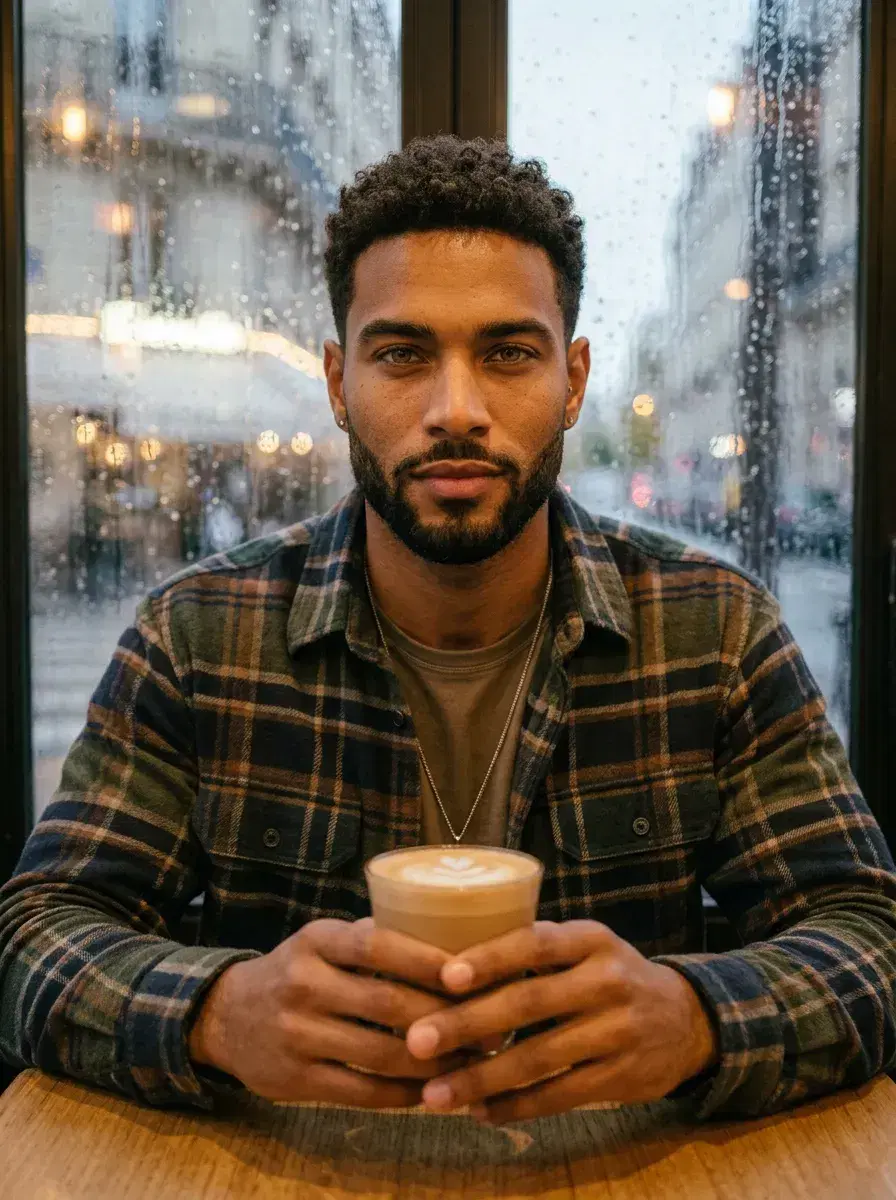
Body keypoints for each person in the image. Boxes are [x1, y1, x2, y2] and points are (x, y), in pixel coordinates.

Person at [2, 136, 896, 1127]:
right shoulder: (201, 635)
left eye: (508, 353)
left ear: (572, 380)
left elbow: (866, 936)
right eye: (402, 355)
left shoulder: (711, 630)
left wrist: (695, 1019)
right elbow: (39, 936)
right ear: (339, 384)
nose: (456, 410)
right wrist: (214, 1015)